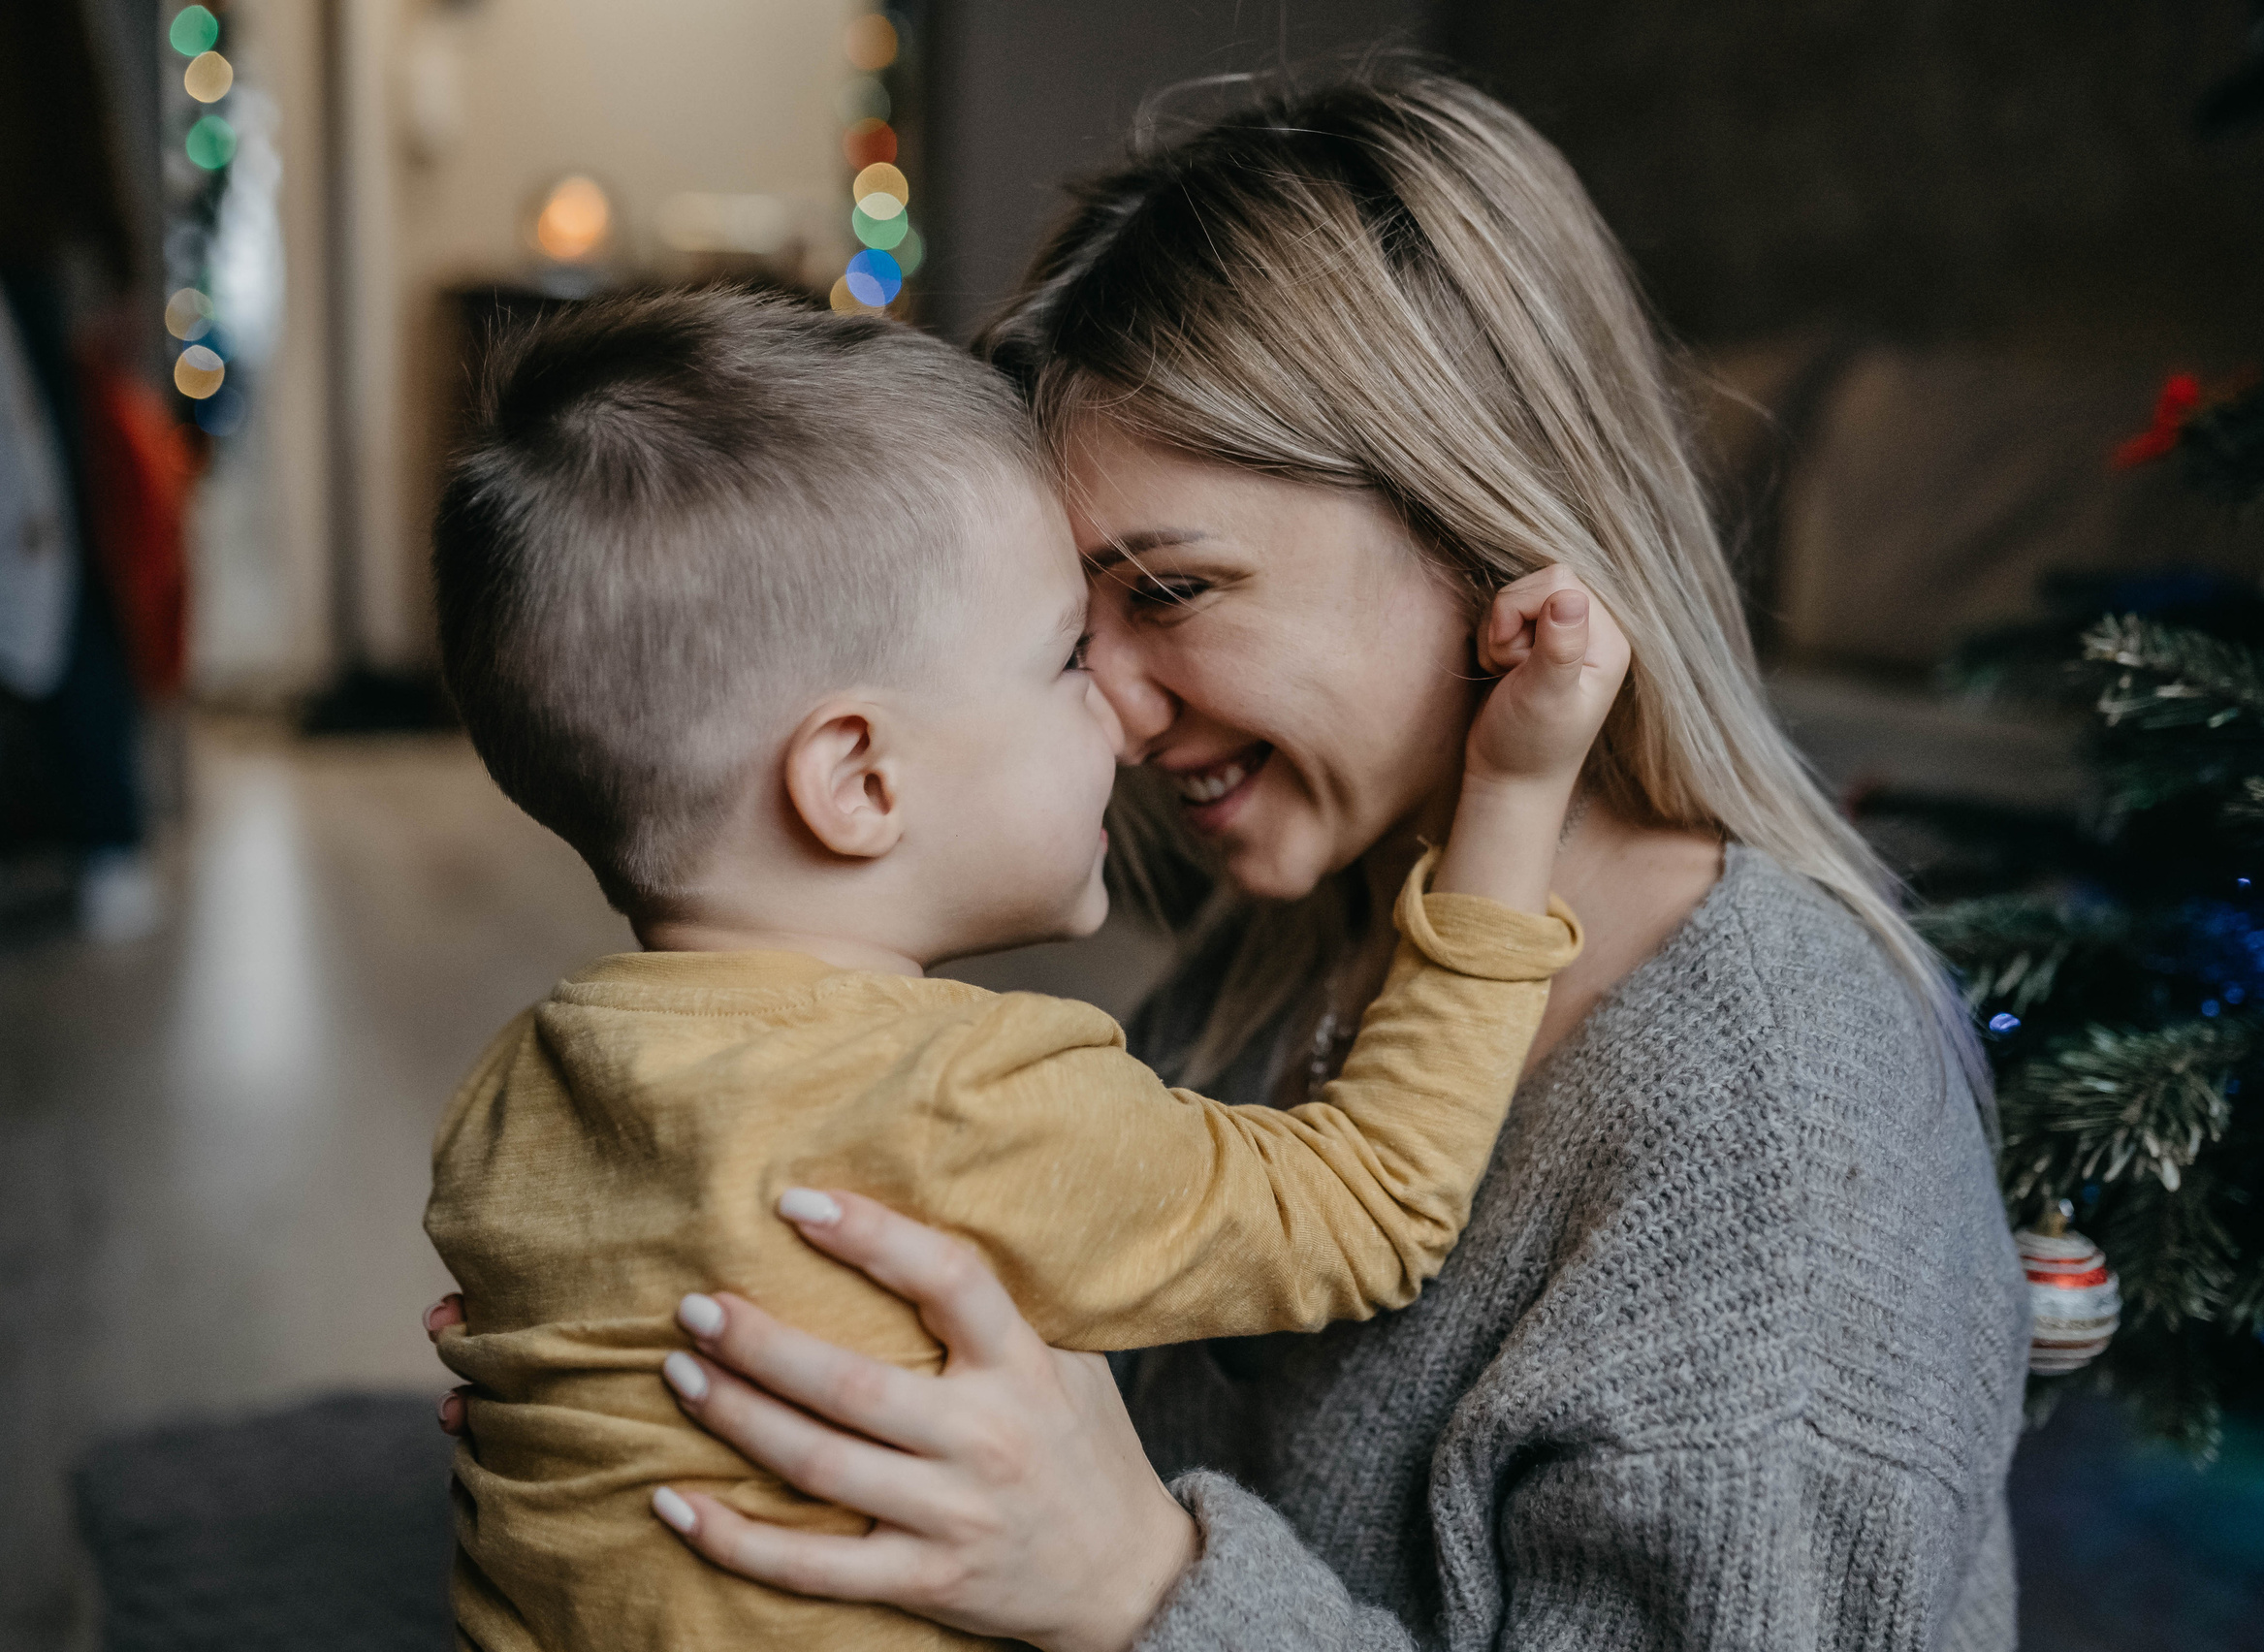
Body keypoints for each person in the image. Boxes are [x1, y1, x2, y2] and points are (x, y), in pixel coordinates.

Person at [457, 67, 2033, 1652]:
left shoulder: (1777, 1122)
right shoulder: (1289, 956)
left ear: (1480, 525)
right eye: (1074, 628)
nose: (1118, 713)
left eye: (1175, 592)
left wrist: (1142, 1586)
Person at [422, 285, 1632, 1651]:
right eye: (1066, 654)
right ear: (861, 779)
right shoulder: (969, 1095)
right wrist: (1516, 797)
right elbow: (1375, 1206)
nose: (1118, 708)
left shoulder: (508, 1102)